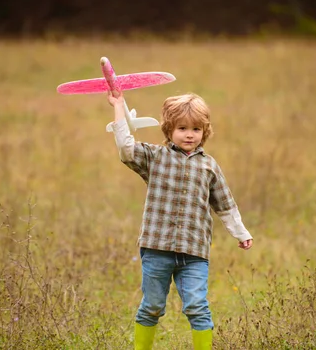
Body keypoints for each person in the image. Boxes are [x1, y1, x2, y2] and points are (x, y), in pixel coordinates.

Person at [108, 91, 253, 350]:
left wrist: (240, 233)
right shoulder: (155, 157)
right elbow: (126, 149)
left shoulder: (209, 166)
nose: (189, 134)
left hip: (194, 253)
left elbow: (225, 204)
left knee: (197, 306)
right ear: (168, 129)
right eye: (182, 128)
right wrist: (118, 106)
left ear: (204, 132)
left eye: (196, 129)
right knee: (151, 306)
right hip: (157, 249)